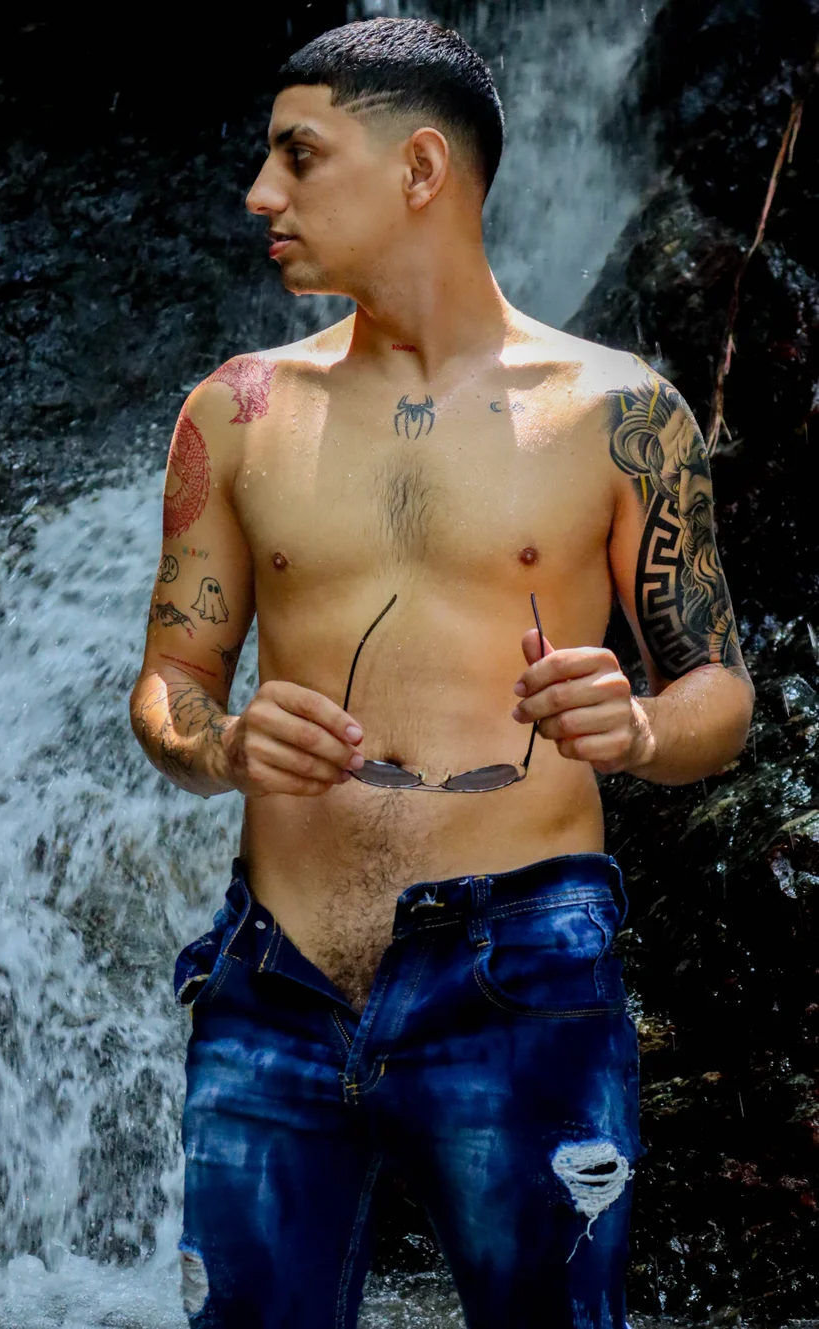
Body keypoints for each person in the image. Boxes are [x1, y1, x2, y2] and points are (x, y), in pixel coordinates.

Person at [128, 17, 754, 1329]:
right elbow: (170, 680)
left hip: (522, 978)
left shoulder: (620, 413)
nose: (260, 194)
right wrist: (222, 743)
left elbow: (720, 693)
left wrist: (639, 730)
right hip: (273, 984)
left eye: (299, 156)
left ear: (420, 168)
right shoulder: (231, 412)